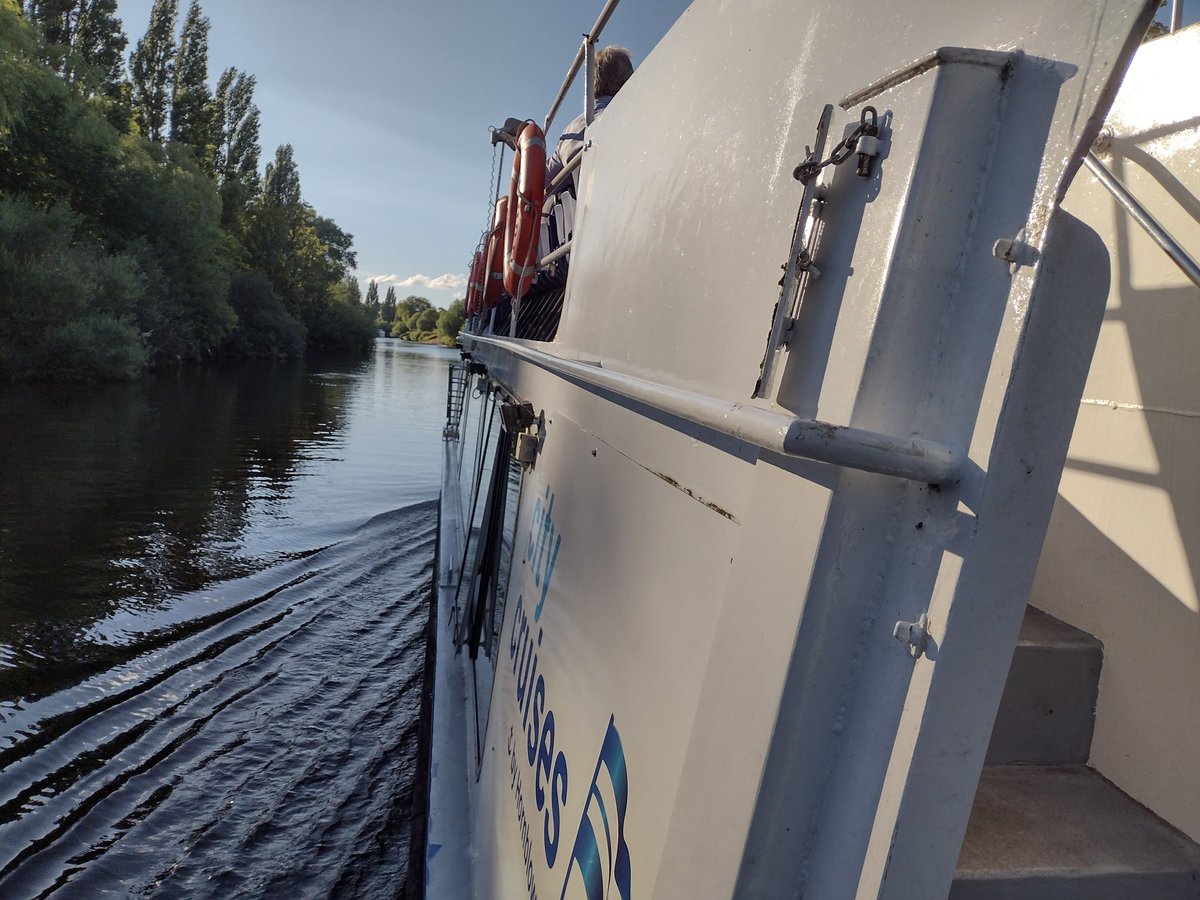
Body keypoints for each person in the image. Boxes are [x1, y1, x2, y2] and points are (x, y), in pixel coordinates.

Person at [545, 45, 635, 196]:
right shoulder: (634, 119)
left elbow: (545, 181)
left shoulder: (569, 133)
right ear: (624, 82)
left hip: (584, 214)